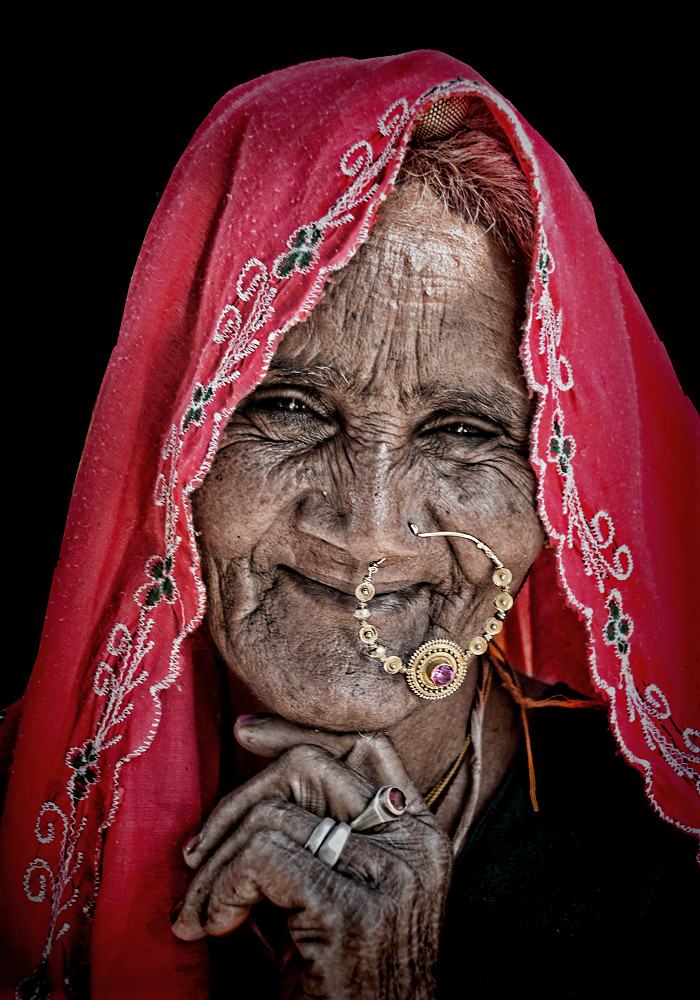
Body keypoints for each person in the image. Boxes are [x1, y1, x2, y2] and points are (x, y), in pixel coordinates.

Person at [1, 51, 698, 999]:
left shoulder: (668, 870)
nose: (367, 527)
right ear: (174, 437)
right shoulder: (18, 814)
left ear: (563, 482)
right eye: (287, 407)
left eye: (463, 431)